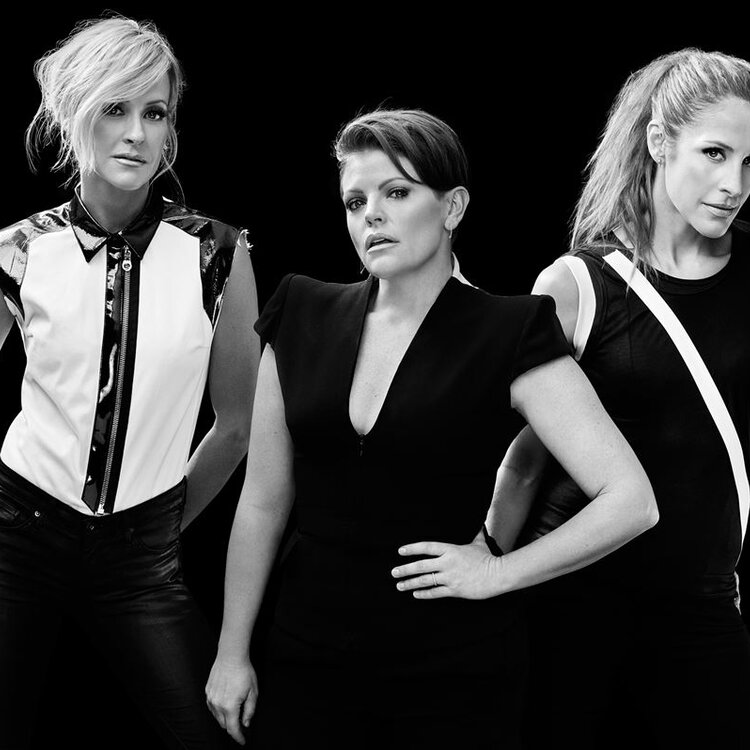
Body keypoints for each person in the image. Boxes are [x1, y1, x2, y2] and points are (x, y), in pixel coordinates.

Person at [204, 108, 657, 748]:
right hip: (306, 660)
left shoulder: (511, 330)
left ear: (453, 207)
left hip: (455, 672)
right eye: (356, 201)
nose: (372, 215)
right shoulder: (300, 311)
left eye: (396, 192)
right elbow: (262, 502)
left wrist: (498, 573)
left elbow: (631, 500)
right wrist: (231, 651)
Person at [0, 16, 259, 750]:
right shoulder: (19, 249)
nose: (138, 134)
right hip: (17, 537)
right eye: (115, 108)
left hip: (141, 557)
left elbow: (237, 423)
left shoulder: (217, 253)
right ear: (72, 113)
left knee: (215, 734)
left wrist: (159, 529)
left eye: (156, 112)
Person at [484, 48, 750, 750]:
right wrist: (490, 565)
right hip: (572, 604)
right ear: (660, 142)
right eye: (715, 153)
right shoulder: (577, 285)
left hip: (702, 606)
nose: (734, 185)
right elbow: (523, 463)